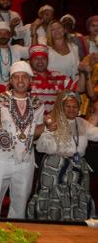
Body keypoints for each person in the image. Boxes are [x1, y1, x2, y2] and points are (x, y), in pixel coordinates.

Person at [0, 61, 46, 219]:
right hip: (1, 158)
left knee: (20, 201)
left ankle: (16, 237)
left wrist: (47, 127)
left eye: (24, 77)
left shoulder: (38, 104)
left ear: (30, 81)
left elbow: (38, 130)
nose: (20, 80)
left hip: (26, 159)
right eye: (16, 77)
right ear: (10, 81)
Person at [27, 90, 98, 221]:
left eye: (75, 106)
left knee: (77, 197)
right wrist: (48, 130)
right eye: (68, 106)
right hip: (54, 167)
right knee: (53, 199)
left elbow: (96, 133)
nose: (72, 109)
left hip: (77, 168)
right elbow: (41, 147)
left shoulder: (82, 123)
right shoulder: (52, 121)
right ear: (61, 106)